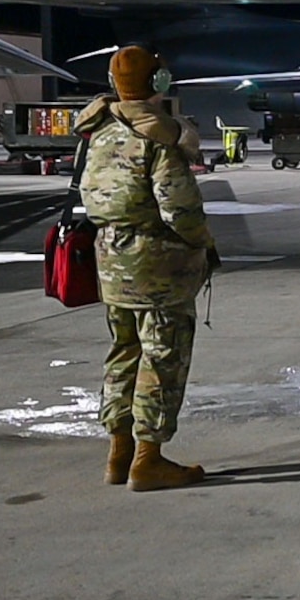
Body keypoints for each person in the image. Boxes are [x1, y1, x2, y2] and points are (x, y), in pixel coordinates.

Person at [72, 45, 218, 491]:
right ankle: (148, 459)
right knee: (163, 357)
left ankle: (118, 455)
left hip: (111, 261)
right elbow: (179, 210)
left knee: (123, 353)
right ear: (159, 84)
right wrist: (204, 244)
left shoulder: (97, 130)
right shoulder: (158, 137)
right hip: (159, 266)